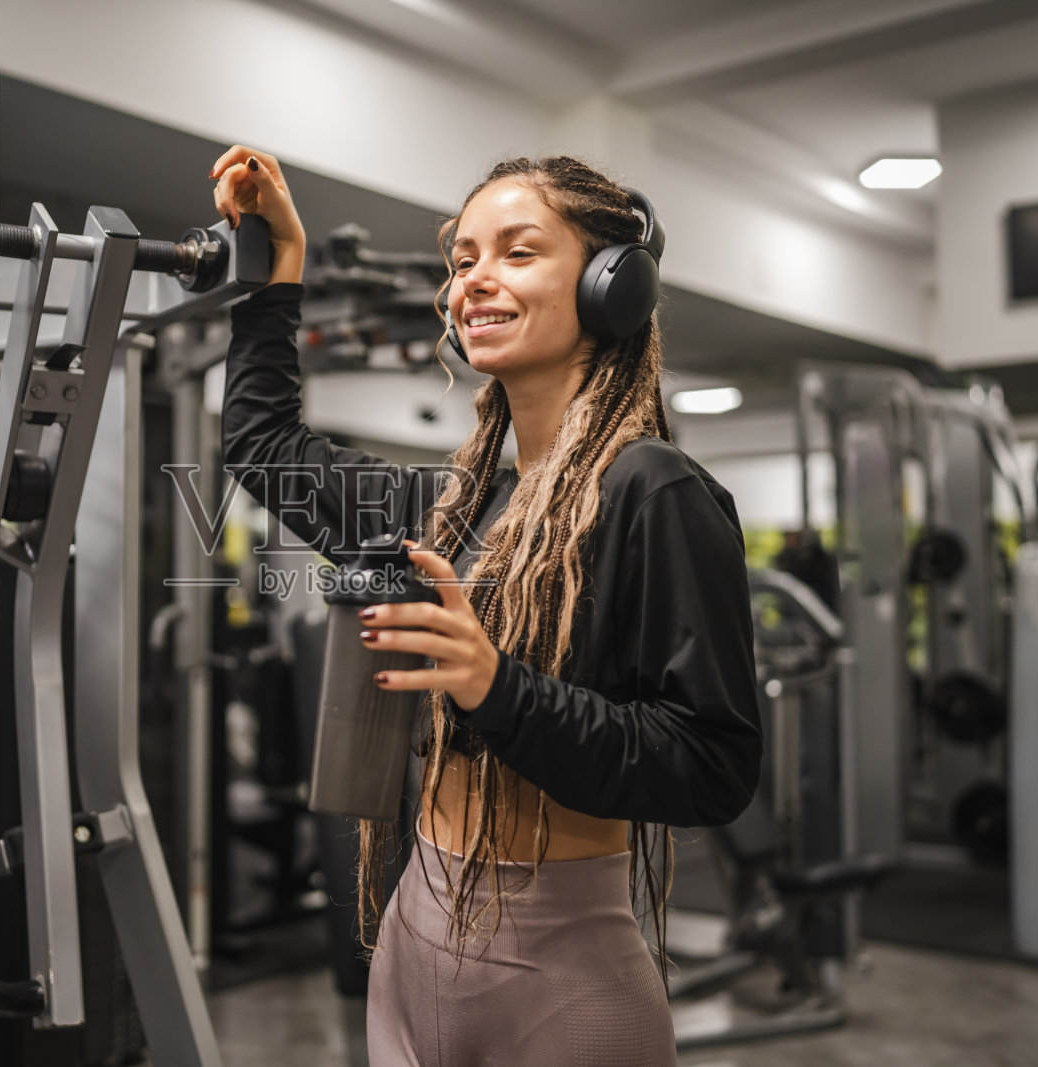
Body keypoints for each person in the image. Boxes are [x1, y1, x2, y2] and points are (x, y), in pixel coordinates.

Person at [211, 145, 762, 1066]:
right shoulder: (456, 508)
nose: (474, 281)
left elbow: (713, 764)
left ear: (610, 284)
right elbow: (260, 442)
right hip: (413, 936)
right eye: (463, 259)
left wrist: (495, 686)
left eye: (517, 251)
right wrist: (279, 260)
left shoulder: (654, 492)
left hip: (563, 975)